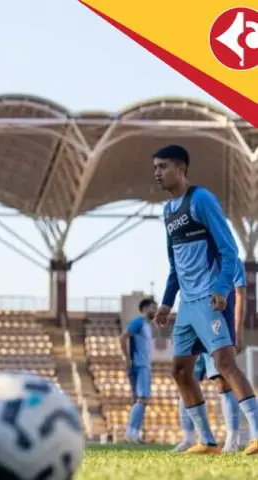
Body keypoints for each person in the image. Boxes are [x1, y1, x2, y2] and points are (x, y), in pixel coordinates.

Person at [152, 144, 258, 455]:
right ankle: (207, 442)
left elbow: (229, 250)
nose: (157, 173)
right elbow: (175, 265)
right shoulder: (168, 212)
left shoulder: (201, 200)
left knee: (225, 365)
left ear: (181, 168)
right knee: (180, 372)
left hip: (210, 300)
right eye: (155, 168)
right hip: (187, 306)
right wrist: (166, 303)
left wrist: (222, 288)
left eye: (163, 167)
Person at [174, 260, 247, 452]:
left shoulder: (232, 261)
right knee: (186, 379)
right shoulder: (193, 256)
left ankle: (232, 437)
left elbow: (240, 295)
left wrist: (237, 333)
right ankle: (189, 438)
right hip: (193, 326)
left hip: (217, 326)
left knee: (223, 382)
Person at [119, 297, 157, 443]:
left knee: (140, 400)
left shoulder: (148, 326)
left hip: (144, 365)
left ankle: (135, 433)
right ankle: (131, 433)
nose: (155, 310)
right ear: (145, 308)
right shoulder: (139, 322)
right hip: (140, 365)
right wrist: (127, 358)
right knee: (142, 399)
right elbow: (123, 337)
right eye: (153, 307)